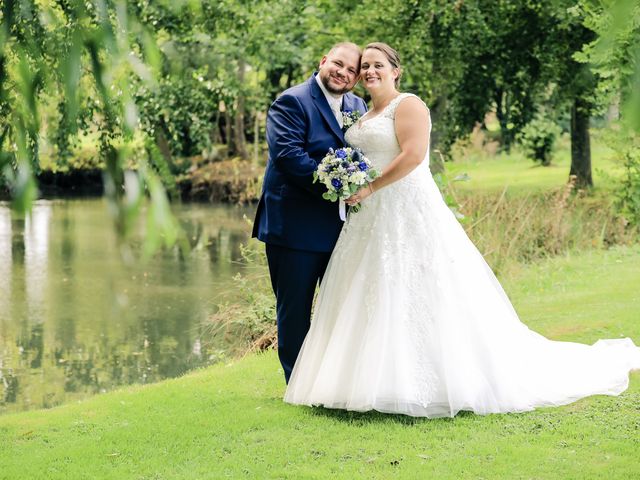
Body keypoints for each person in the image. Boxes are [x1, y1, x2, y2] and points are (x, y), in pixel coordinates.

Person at [284, 42, 640, 417]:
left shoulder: (408, 105)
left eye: (377, 65)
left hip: (405, 207)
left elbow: (413, 156)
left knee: (421, 288)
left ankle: (438, 380)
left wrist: (369, 186)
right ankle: (361, 382)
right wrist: (348, 182)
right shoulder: (359, 113)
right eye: (365, 67)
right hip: (368, 215)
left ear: (395, 70)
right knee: (370, 288)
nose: (370, 71)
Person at [252, 42, 368, 383]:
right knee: (295, 312)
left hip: (341, 228)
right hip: (294, 228)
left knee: (340, 307)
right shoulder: (291, 101)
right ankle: (298, 385)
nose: (342, 73)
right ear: (323, 61)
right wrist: (341, 186)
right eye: (338, 64)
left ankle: (334, 382)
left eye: (351, 71)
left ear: (357, 79)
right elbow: (289, 157)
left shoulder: (357, 105)